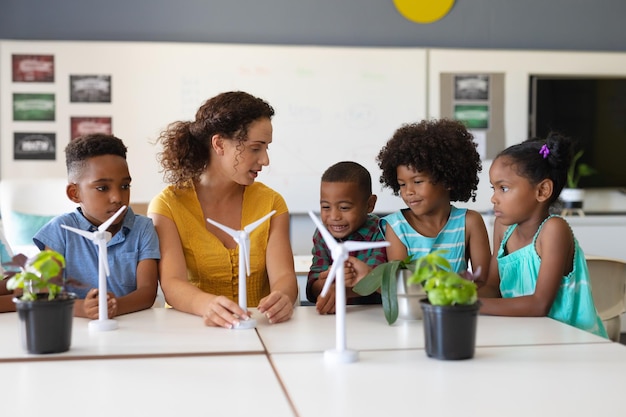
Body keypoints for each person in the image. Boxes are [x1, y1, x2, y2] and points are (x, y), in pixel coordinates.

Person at [148, 91, 298, 328]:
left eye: (266, 148)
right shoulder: (168, 205)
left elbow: (284, 276)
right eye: (255, 148)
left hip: (260, 331)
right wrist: (206, 305)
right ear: (219, 144)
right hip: (193, 333)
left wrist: (284, 296)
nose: (265, 160)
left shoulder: (272, 203)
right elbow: (172, 282)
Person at [478, 133, 607, 337]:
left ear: (542, 191)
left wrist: (473, 304)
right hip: (528, 338)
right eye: (493, 188)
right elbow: (493, 287)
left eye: (503, 188)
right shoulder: (503, 228)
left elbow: (539, 305)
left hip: (572, 345)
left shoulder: (554, 230)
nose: (494, 198)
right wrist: (457, 296)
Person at [33, 134, 160, 319]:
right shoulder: (60, 230)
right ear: (74, 193)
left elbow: (147, 292)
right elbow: (47, 290)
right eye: (102, 188)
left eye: (125, 186)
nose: (118, 197)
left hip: (132, 326)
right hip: (75, 327)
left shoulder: (143, 228)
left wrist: (113, 307)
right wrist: (82, 309)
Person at [376, 119, 491, 285]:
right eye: (402, 184)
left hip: (458, 308)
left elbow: (484, 284)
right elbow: (402, 286)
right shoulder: (396, 227)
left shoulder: (470, 222)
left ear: (447, 180)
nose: (408, 191)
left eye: (417, 182)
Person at [306, 161, 387, 314]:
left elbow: (373, 279)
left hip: (373, 315)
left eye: (344, 208)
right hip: (334, 317)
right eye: (325, 207)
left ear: (370, 204)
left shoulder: (381, 230)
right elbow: (314, 284)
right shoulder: (323, 233)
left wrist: (341, 286)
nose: (334, 216)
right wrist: (328, 280)